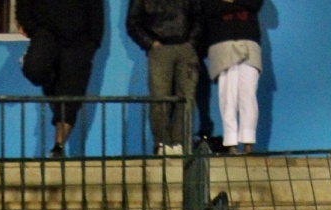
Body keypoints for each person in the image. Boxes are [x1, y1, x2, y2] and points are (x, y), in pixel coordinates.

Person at [16, 0, 105, 157]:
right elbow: (23, 4)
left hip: (79, 41)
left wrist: (93, 41)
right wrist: (29, 26)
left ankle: (58, 146)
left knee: (70, 96)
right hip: (45, 32)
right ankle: (52, 87)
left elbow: (96, 8)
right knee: (35, 69)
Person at [126, 0, 202, 154]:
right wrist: (151, 44)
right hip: (160, 50)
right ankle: (162, 144)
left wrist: (191, 42)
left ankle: (180, 143)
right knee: (159, 99)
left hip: (184, 49)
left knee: (186, 98)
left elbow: (199, 16)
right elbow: (132, 22)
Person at [203, 0, 263, 154]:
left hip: (248, 43)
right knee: (227, 98)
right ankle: (231, 144)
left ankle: (248, 142)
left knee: (248, 96)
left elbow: (256, 4)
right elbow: (209, 7)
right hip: (222, 45)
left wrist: (228, 3)